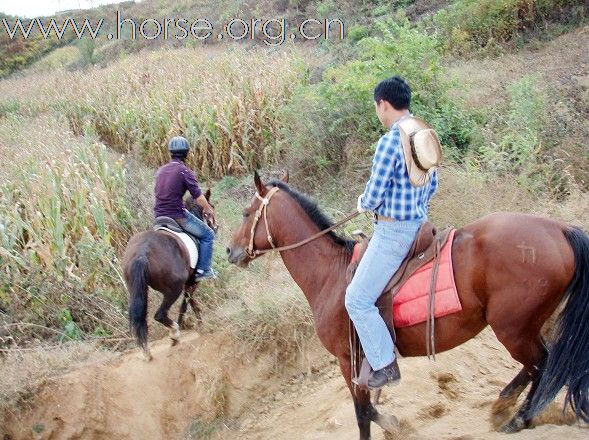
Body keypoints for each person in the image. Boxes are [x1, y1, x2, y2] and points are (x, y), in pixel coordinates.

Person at [345, 76, 439, 389]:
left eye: (377, 107)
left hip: (394, 233)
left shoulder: (390, 141)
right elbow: (433, 184)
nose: (378, 112)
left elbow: (373, 195)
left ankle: (385, 365)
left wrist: (361, 204)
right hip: (420, 224)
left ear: (383, 104)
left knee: (356, 300)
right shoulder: (422, 132)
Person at [154, 136, 217, 282]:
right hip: (177, 215)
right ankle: (203, 270)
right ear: (187, 154)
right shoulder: (184, 171)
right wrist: (208, 209)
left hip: (159, 216)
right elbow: (199, 198)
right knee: (208, 234)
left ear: (170, 153)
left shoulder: (161, 171)